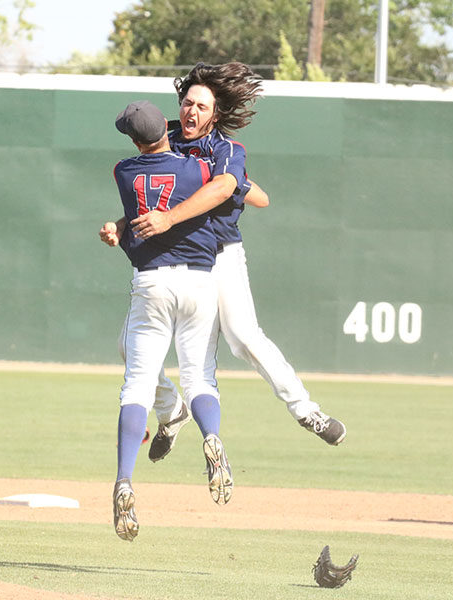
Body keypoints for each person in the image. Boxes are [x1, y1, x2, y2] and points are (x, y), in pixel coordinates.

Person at [130, 62, 347, 461]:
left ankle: (306, 411)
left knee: (243, 336)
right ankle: (171, 413)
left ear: (215, 113)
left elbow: (239, 190)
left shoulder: (226, 150)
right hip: (177, 260)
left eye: (201, 105)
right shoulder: (168, 142)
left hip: (221, 255)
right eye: (187, 102)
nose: (191, 111)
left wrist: (229, 186)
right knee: (136, 350)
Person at [102, 100, 231, 542]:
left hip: (152, 282)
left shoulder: (123, 172)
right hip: (198, 281)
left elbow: (146, 194)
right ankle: (211, 437)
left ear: (136, 141)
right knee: (199, 380)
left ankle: (124, 478)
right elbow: (212, 191)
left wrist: (119, 228)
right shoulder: (198, 170)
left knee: (136, 384)